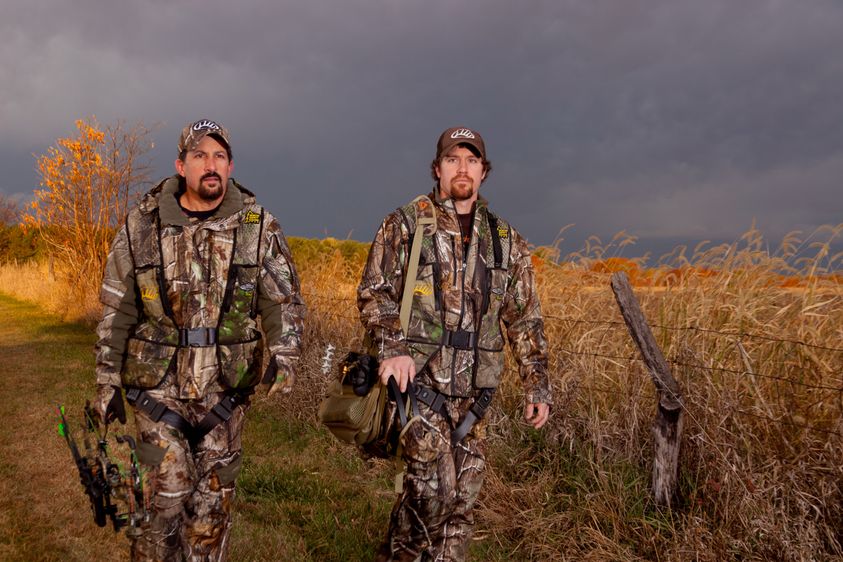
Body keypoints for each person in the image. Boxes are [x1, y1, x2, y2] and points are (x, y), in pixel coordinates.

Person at [92, 119, 305, 560]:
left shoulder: (258, 225)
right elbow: (118, 309)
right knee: (164, 500)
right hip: (156, 392)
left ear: (230, 166)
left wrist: (285, 356)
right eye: (200, 155)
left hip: (225, 396)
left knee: (211, 513)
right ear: (180, 165)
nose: (211, 165)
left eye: (219, 156)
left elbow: (282, 302)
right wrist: (106, 381)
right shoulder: (142, 225)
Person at [358, 126, 552, 561]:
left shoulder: (505, 241)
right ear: (438, 168)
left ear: (483, 171)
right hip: (418, 390)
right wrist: (393, 348)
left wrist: (537, 383)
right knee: (430, 495)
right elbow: (375, 292)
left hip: (476, 399)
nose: (462, 168)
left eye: (471, 160)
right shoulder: (407, 224)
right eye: (452, 159)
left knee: (462, 505)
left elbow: (525, 318)